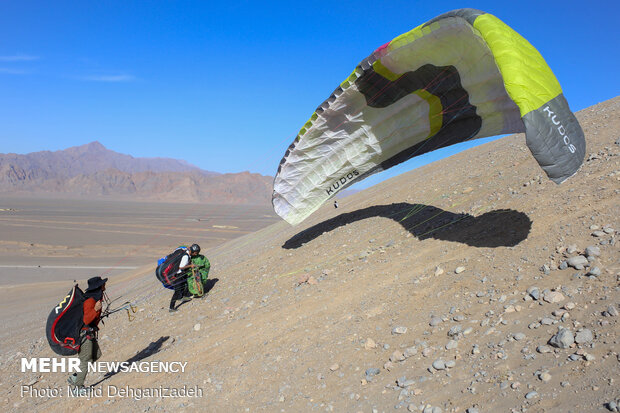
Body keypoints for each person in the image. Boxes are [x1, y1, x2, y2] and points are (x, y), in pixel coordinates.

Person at [67, 276, 107, 391]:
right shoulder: (90, 301)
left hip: (90, 333)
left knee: (96, 354)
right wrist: (95, 309)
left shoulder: (95, 299)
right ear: (98, 287)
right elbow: (86, 320)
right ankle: (77, 388)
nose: (104, 286)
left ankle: (75, 377)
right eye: (102, 284)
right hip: (85, 335)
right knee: (86, 360)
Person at [169, 244, 201, 312]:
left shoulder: (186, 252)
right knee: (177, 292)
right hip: (178, 276)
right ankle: (171, 308)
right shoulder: (186, 257)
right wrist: (190, 265)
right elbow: (181, 267)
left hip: (181, 275)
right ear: (194, 252)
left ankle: (183, 297)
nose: (196, 254)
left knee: (185, 285)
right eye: (196, 253)